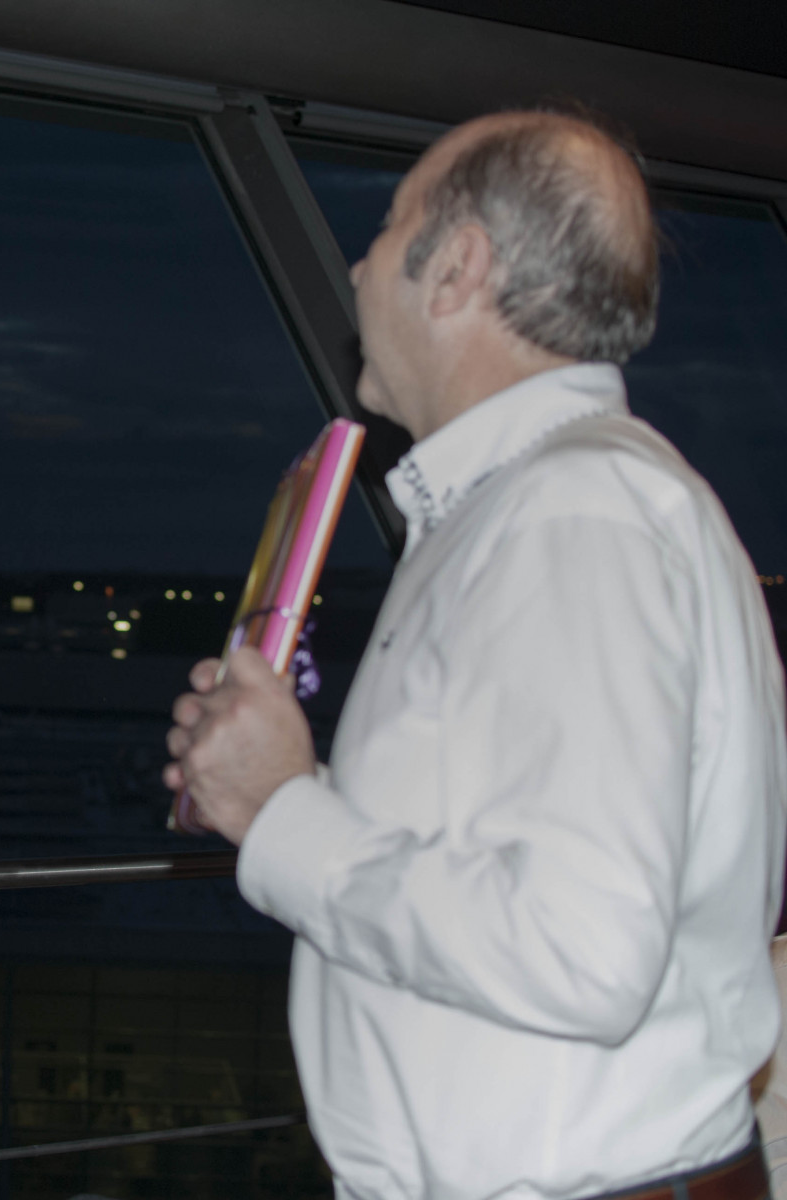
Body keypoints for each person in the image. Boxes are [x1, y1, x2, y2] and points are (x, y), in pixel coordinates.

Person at [166, 111, 787, 1199]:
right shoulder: (538, 507)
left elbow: (578, 948)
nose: (356, 268)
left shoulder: (573, 517)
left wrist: (282, 814)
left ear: (455, 268)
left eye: (385, 227)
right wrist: (273, 781)